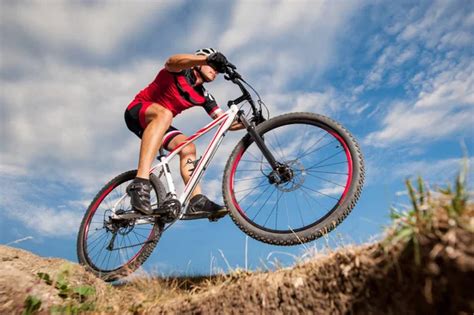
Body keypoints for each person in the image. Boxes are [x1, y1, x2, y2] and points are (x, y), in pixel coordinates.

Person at [124, 48, 243, 217]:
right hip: (137, 112)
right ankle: (140, 182)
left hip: (161, 124)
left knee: (188, 148)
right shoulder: (180, 70)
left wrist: (250, 123)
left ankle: (196, 201)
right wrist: (207, 59)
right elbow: (171, 61)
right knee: (165, 114)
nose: (214, 71)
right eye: (212, 66)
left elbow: (225, 122)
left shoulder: (204, 96)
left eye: (217, 69)